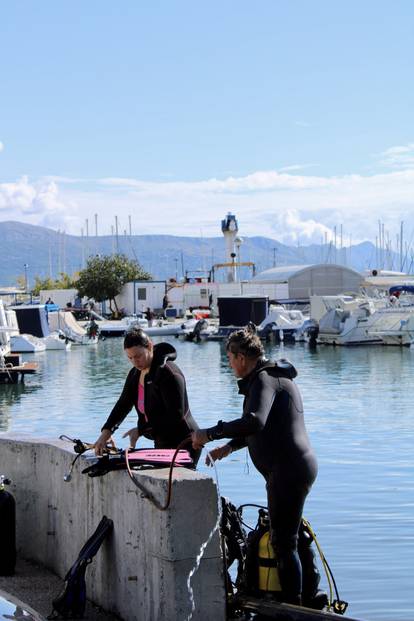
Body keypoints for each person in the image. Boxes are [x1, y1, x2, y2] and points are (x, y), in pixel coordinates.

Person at [191, 328, 318, 605]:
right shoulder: (269, 377)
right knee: (286, 537)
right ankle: (301, 599)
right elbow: (264, 427)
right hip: (290, 468)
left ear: (240, 357)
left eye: (229, 359)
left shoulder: (264, 379)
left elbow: (255, 421)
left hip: (288, 470)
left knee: (283, 542)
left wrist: (210, 433)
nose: (229, 365)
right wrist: (230, 447)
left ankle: (293, 607)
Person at [94, 327, 200, 464]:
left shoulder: (169, 373)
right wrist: (106, 433)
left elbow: (175, 416)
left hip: (186, 441)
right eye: (130, 358)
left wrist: (141, 430)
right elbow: (123, 404)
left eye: (138, 356)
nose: (135, 362)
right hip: (161, 440)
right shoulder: (135, 374)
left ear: (150, 346)